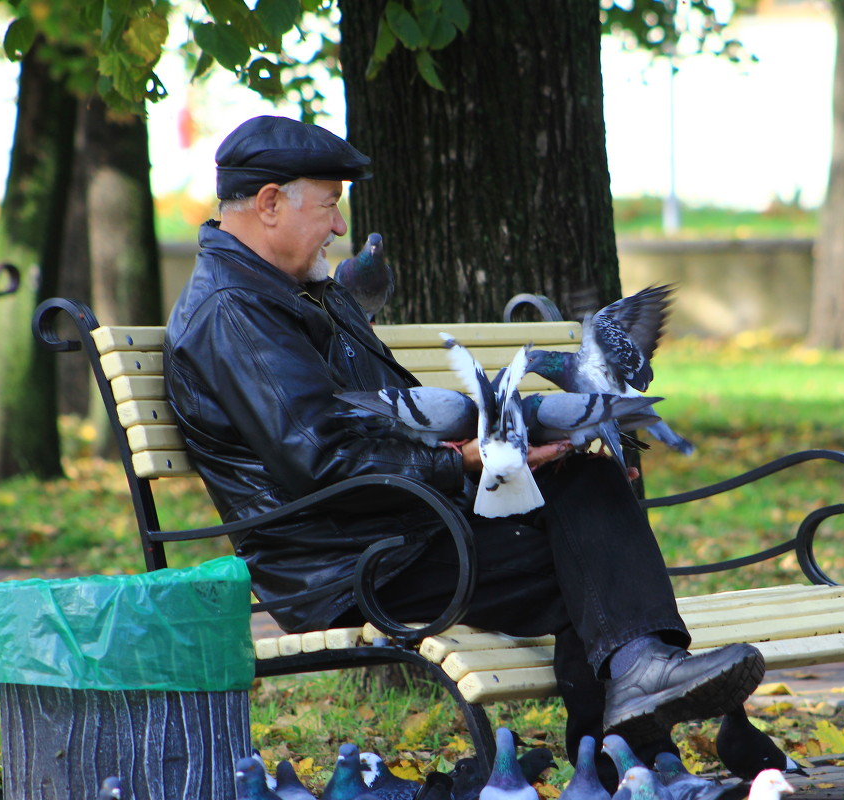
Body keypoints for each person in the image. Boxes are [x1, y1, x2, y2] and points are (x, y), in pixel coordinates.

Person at [164, 115, 765, 787]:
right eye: (331, 203)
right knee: (591, 571)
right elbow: (320, 459)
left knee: (588, 482)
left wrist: (516, 438)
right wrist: (464, 462)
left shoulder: (297, 294)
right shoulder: (234, 311)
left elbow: (380, 421)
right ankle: (642, 760)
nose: (339, 227)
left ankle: (637, 720)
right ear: (271, 203)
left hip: (398, 519)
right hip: (345, 561)